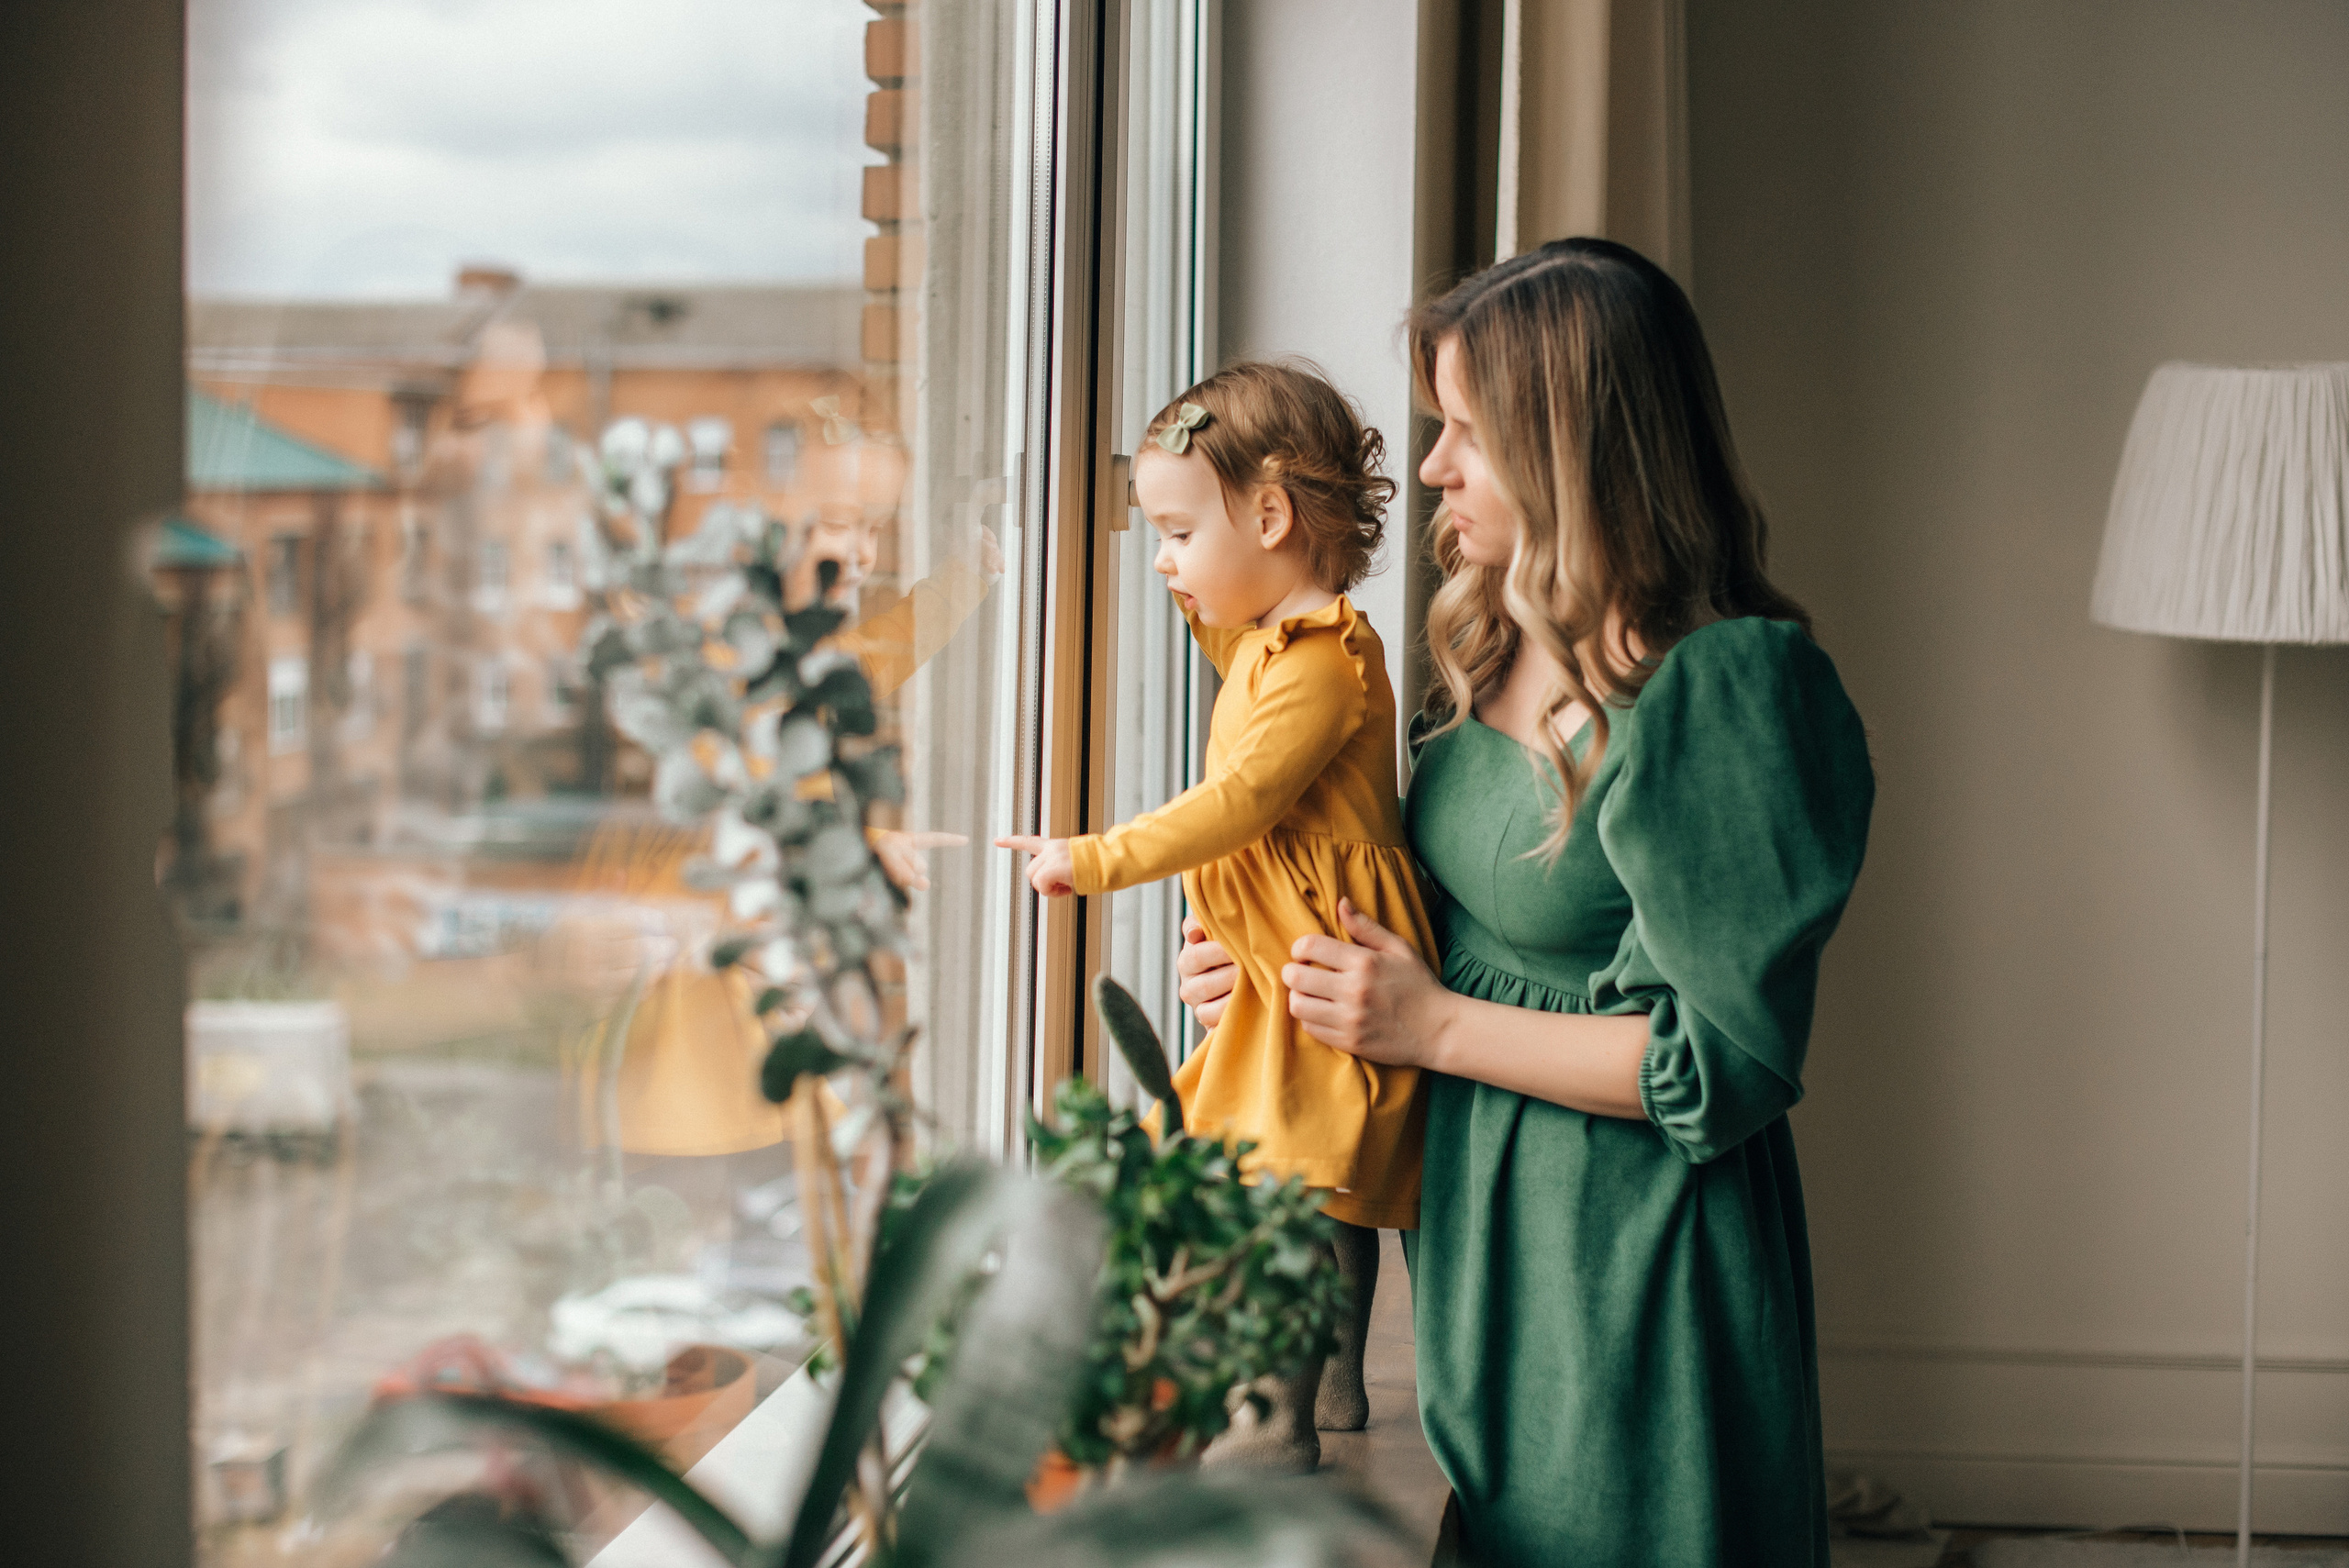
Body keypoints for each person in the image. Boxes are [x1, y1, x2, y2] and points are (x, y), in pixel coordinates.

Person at [1176, 239, 1875, 1565]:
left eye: (1471, 435)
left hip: (1629, 1273)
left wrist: (1423, 1025)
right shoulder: (1490, 637)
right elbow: (1474, 931)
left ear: (1579, 451)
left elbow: (1719, 1066)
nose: (1435, 467)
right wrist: (1289, 978)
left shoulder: (1726, 692)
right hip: (1478, 1239)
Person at [998, 361, 1438, 1470]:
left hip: (1326, 952)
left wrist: (1092, 857)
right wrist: (1205, 576)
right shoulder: (1261, 646)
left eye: (1177, 531)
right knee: (1297, 1168)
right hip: (1283, 948)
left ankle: (1291, 1407)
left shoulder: (1325, 660)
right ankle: (1321, 1383)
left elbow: (1237, 799)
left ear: (1274, 517)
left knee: (1302, 1179)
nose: (1160, 558)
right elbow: (1226, 654)